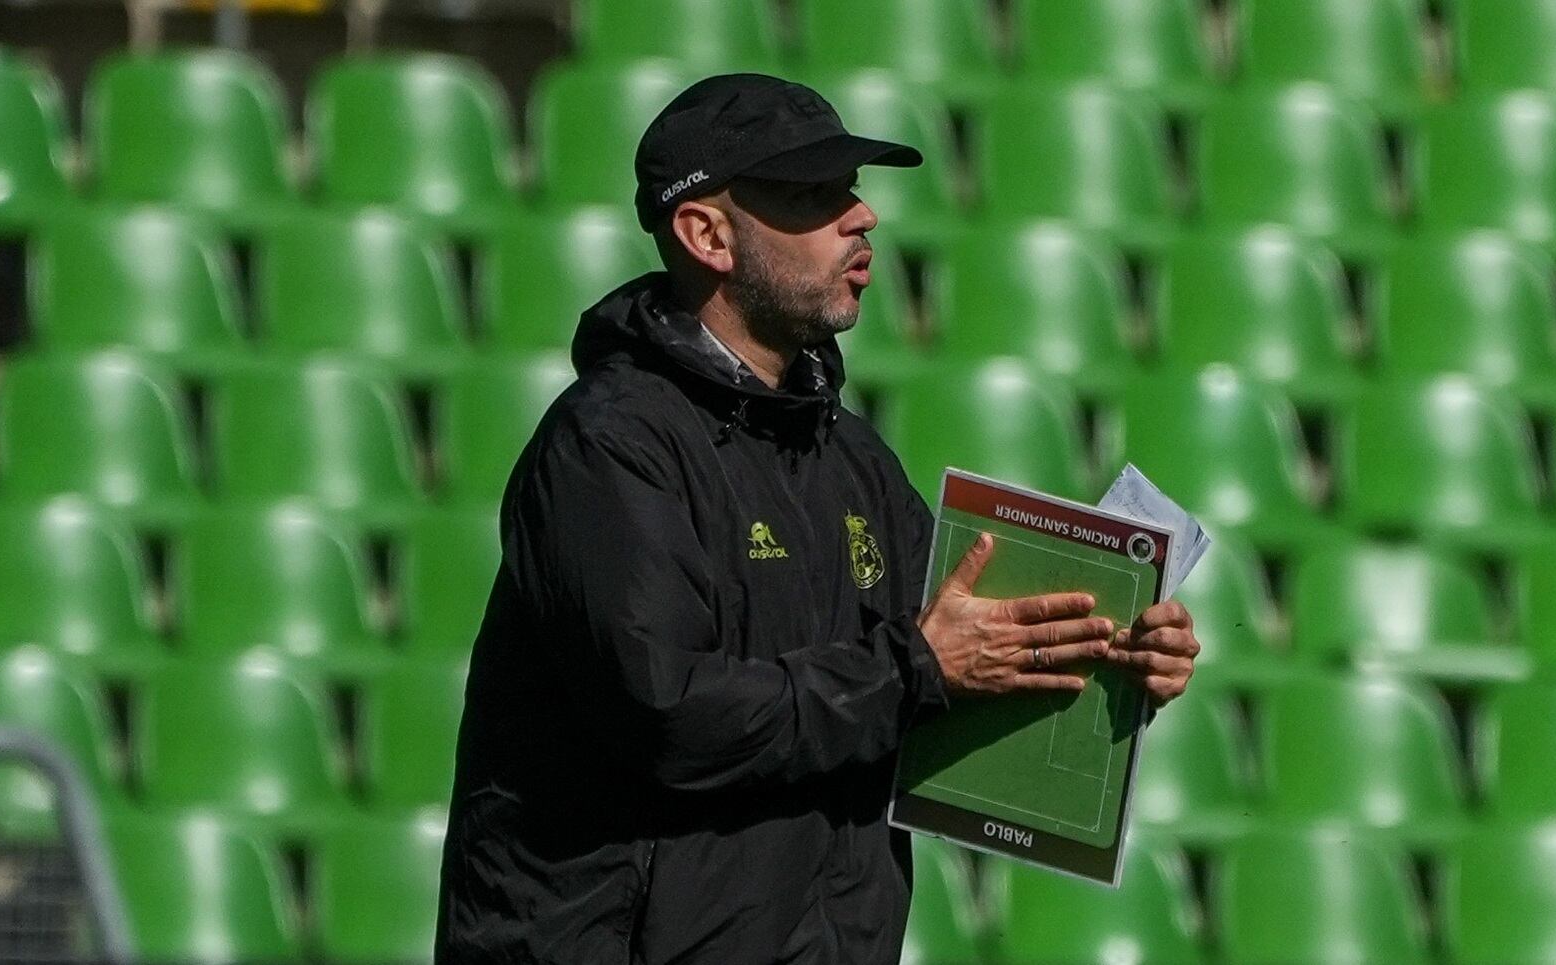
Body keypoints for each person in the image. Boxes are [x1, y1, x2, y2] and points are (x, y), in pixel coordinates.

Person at [434, 73, 1201, 964]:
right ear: (707, 233)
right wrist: (920, 667)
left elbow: (943, 683)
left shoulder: (856, 461)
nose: (861, 216)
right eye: (809, 196)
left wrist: (1111, 656)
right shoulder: (608, 449)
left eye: (851, 189)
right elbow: (671, 717)